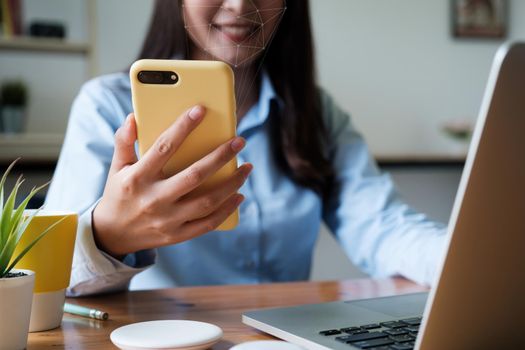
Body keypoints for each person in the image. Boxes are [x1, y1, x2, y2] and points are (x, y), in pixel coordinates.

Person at [45, 0, 446, 296]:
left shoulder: (314, 112)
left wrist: (462, 259)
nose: (239, 5)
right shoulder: (106, 106)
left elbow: (383, 225)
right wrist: (106, 236)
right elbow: (48, 274)